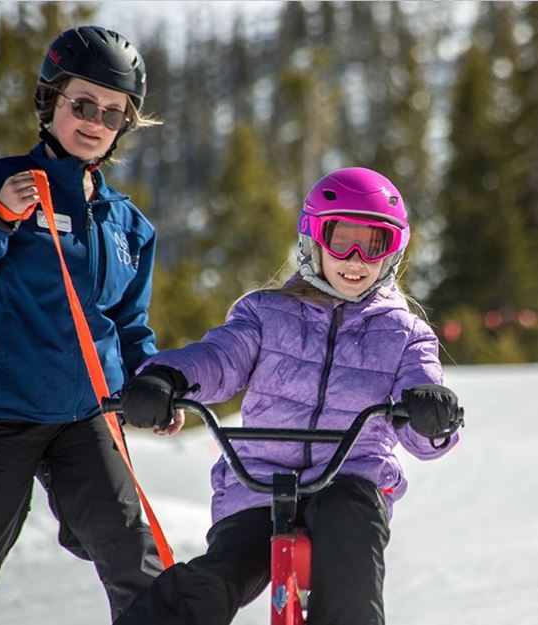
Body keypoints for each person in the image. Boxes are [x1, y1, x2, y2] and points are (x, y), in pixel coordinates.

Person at [112, 167, 464, 625]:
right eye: (341, 241)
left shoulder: (406, 335)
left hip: (350, 482)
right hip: (258, 483)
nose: (355, 259)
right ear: (313, 242)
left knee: (350, 570)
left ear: (392, 253)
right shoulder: (265, 313)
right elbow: (220, 358)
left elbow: (421, 410)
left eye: (373, 244)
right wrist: (167, 379)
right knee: (217, 578)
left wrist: (430, 414)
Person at [0, 25, 180, 625]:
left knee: (136, 562)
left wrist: (154, 381)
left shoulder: (128, 225)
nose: (95, 121)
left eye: (113, 114)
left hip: (85, 414)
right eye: (82, 104)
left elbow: (129, 324)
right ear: (50, 101)